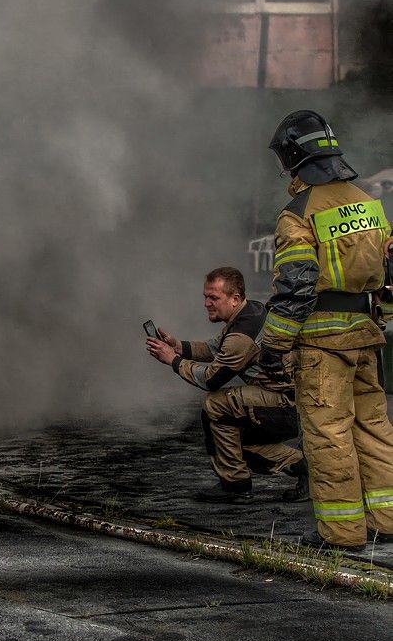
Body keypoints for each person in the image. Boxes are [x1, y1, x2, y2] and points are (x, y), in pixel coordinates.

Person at [262, 110, 393, 550]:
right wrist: (384, 317)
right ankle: (386, 521)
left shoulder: (297, 214)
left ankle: (341, 534)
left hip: (320, 344)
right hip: (365, 335)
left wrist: (272, 345)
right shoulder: (369, 204)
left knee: (329, 433)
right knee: (374, 428)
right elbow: (390, 271)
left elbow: (295, 286)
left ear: (295, 157)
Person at [147, 267, 305, 502]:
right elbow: (216, 347)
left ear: (235, 299)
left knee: (216, 404)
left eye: (214, 298)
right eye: (205, 297)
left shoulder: (242, 334)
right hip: (288, 402)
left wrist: (173, 359)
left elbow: (211, 379)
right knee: (231, 441)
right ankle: (306, 469)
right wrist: (179, 346)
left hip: (287, 406)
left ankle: (235, 485)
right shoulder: (250, 312)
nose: (207, 304)